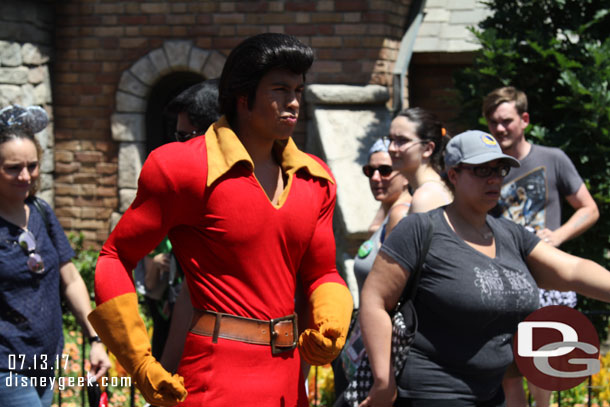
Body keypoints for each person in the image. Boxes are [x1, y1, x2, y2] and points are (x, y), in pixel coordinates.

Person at [87, 33, 353, 407]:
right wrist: (140, 362)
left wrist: (331, 322)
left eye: (297, 89)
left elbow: (322, 274)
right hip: (212, 381)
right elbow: (114, 257)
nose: (293, 102)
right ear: (243, 98)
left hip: (289, 385)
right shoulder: (182, 167)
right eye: (279, 89)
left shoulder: (315, 179)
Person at [358, 129, 610, 407]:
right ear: (453, 175)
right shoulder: (420, 229)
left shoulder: (511, 235)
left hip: (491, 394)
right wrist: (384, 381)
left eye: (499, 169)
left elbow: (572, 270)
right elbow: (374, 299)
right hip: (431, 393)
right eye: (481, 170)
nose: (494, 178)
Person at [483, 86, 600, 407]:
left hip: (547, 281)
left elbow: (589, 208)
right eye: (493, 122)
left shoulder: (552, 158)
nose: (500, 128)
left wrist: (557, 237)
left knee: (542, 372)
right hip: (503, 282)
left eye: (506, 120)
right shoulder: (487, 169)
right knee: (508, 377)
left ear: (525, 120)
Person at [0, 105, 111, 407]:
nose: (25, 176)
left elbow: (71, 277)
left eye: (32, 165)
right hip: (6, 366)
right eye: (12, 168)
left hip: (44, 361)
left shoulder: (40, 211)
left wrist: (95, 338)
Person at [133, 78, 221, 368]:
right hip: (170, 318)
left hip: (212, 346)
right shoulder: (178, 186)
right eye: (176, 136)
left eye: (185, 137)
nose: (177, 147)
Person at [385, 107, 452, 222]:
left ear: (427, 149)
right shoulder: (425, 190)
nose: (391, 148)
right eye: (390, 139)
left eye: (402, 140)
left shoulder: (426, 196)